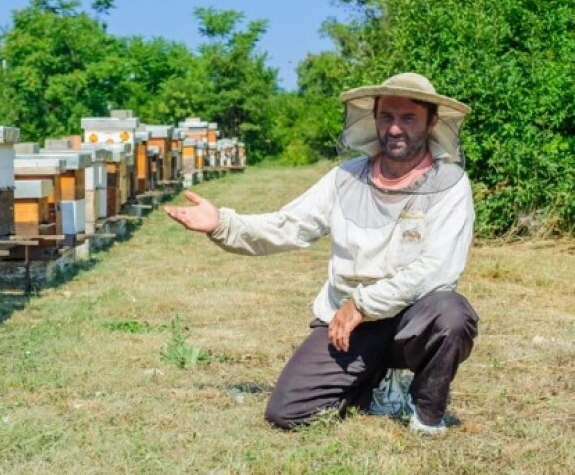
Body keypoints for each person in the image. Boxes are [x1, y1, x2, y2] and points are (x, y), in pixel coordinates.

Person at [164, 73, 479, 434]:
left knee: (452, 314)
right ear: (374, 119)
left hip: (413, 319)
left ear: (432, 122)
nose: (394, 129)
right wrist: (223, 224)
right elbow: (288, 225)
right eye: (386, 117)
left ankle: (426, 411)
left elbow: (438, 269)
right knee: (288, 411)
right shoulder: (345, 177)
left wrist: (363, 303)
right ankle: (377, 383)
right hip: (349, 322)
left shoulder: (450, 185)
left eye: (408, 118)